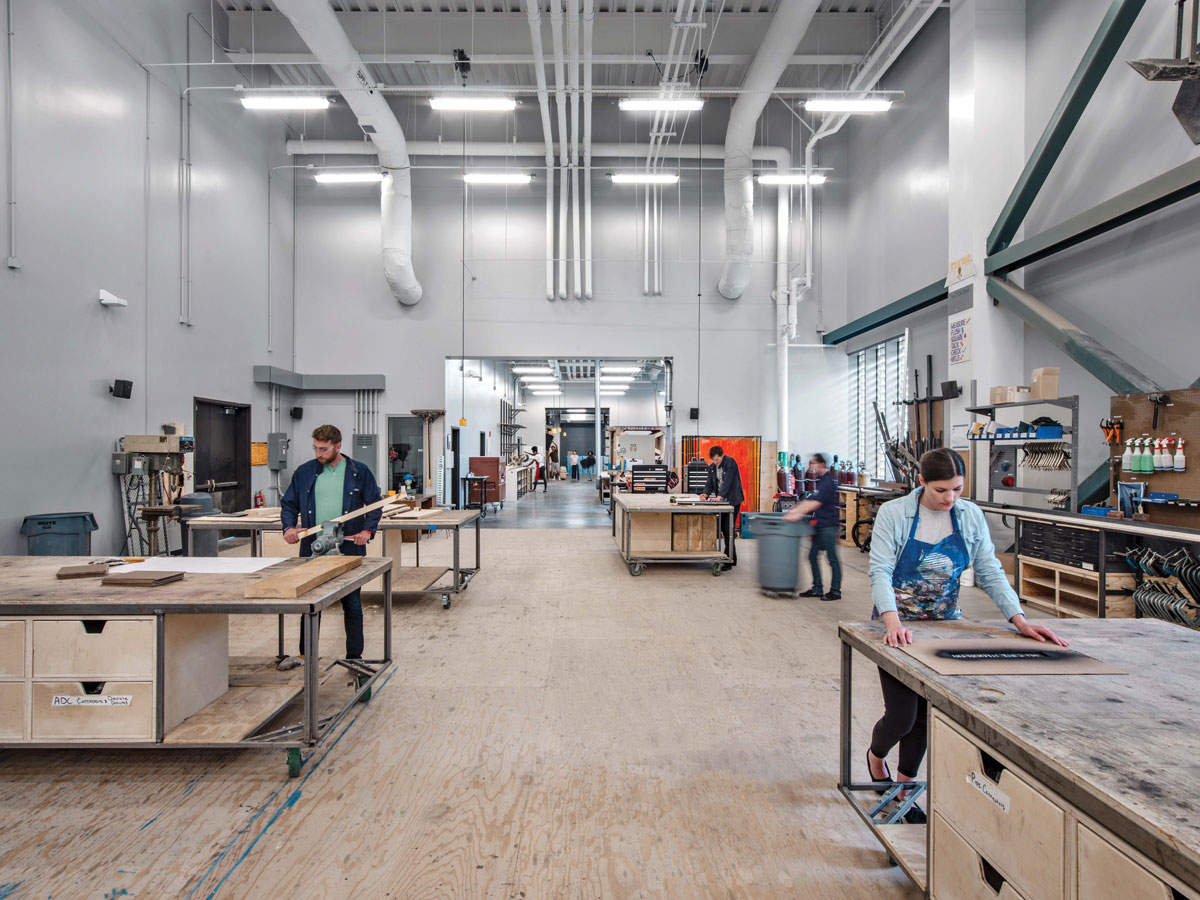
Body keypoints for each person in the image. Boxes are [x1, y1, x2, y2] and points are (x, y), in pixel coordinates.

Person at [865, 448, 1067, 822]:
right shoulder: (895, 514)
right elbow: (880, 571)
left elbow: (989, 570)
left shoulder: (969, 516)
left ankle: (905, 788)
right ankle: (876, 758)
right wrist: (891, 623)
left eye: (957, 489)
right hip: (898, 624)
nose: (950, 498)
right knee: (901, 717)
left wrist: (1019, 619)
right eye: (941, 490)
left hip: (946, 625)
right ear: (921, 482)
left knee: (924, 716)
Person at [279, 424, 383, 671]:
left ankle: (355, 656)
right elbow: (289, 504)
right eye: (316, 448)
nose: (319, 453)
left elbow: (374, 505)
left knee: (352, 603)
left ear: (338, 446)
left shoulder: (359, 472)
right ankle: (307, 655)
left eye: (324, 449)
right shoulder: (305, 472)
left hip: (348, 549)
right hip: (313, 548)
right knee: (310, 603)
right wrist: (289, 527)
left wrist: (367, 532)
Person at [784, 452, 842, 600]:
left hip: (828, 526)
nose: (811, 466)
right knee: (812, 556)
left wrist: (797, 514)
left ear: (822, 464)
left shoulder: (828, 482)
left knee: (832, 559)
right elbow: (809, 500)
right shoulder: (820, 481)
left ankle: (835, 591)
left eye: (814, 463)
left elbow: (815, 503)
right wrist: (793, 511)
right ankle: (817, 588)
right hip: (820, 525)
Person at [700, 445, 744, 571]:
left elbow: (728, 482)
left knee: (728, 529)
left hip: (733, 500)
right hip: (722, 502)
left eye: (717, 460)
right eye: (713, 460)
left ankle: (728, 561)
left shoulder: (730, 463)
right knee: (725, 530)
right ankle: (732, 558)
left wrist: (719, 496)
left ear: (722, 456)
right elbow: (709, 483)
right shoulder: (712, 468)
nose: (715, 462)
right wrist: (705, 494)